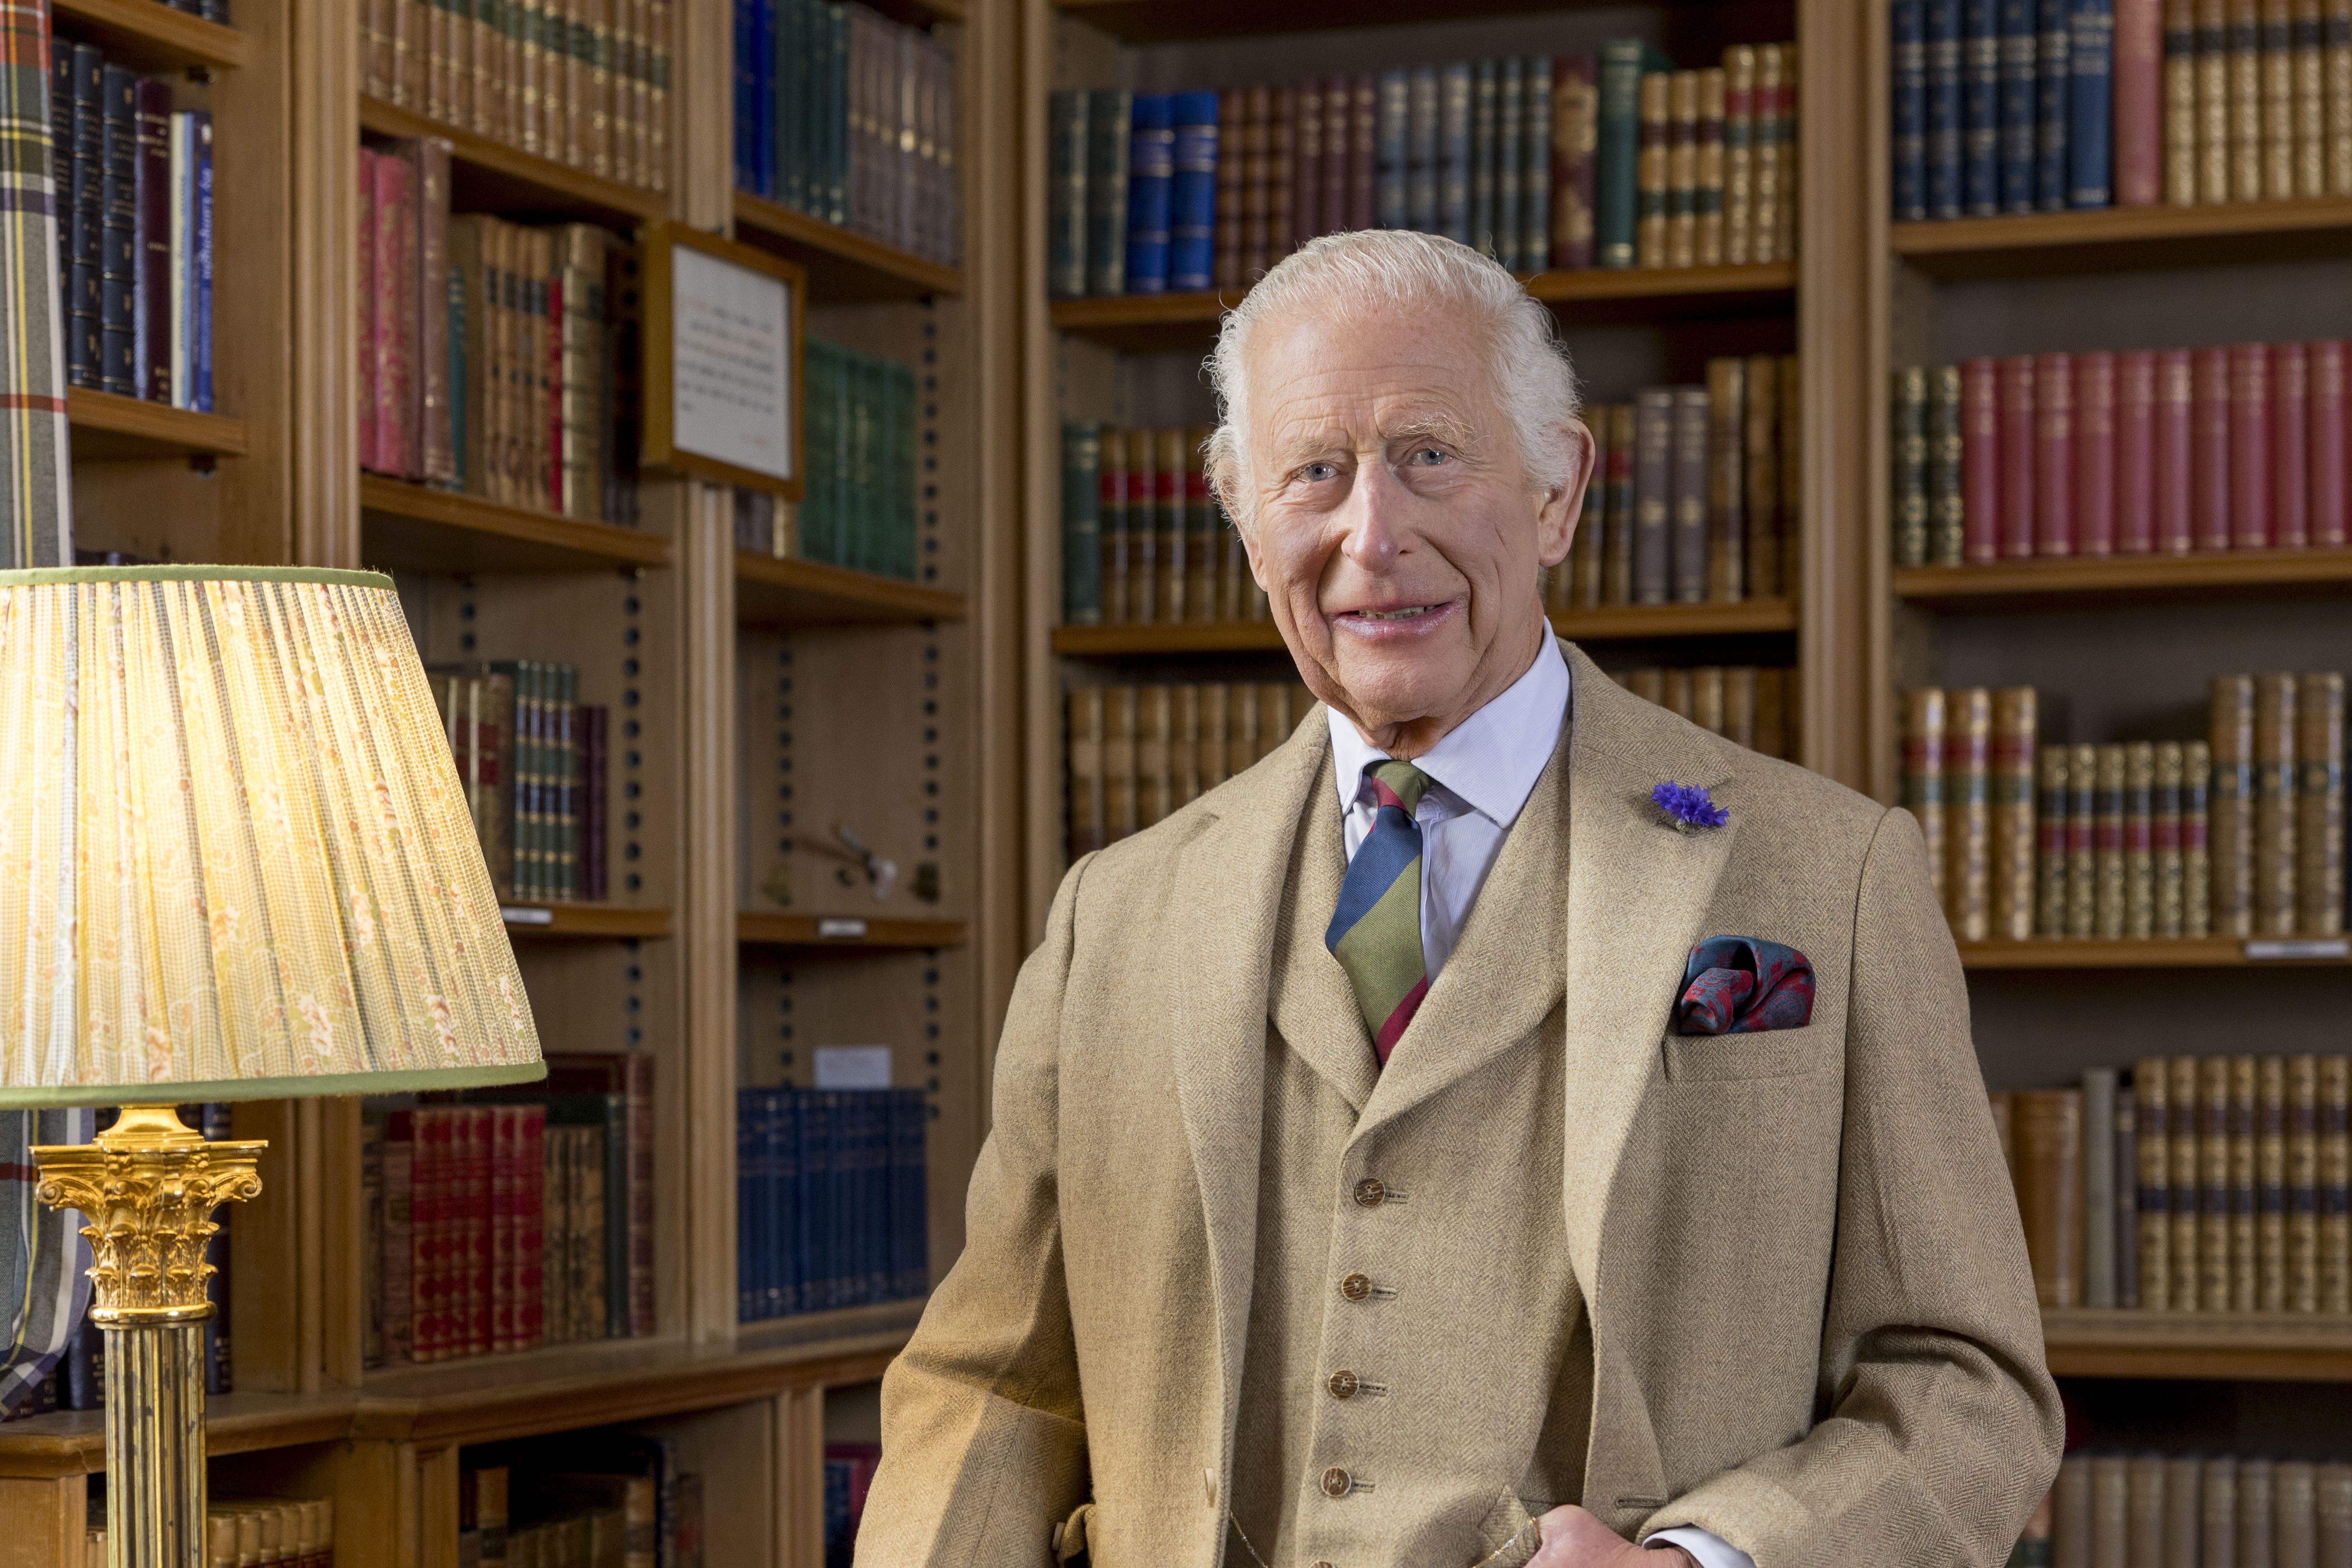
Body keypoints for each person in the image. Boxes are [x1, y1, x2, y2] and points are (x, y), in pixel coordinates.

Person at [856, 230, 2061, 1568]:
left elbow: (1964, 1385)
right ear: (1248, 526)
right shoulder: (1111, 916)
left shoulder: (1828, 872)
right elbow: (992, 1384)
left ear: (1556, 493)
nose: (1373, 535)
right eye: (1312, 472)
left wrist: (1699, 1567)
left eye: (1429, 455)